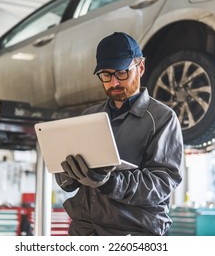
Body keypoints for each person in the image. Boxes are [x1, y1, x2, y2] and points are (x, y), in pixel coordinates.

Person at [55, 32, 184, 236]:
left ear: (140, 67)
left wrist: (109, 182)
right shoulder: (90, 116)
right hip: (84, 231)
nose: (113, 82)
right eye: (106, 75)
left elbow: (162, 183)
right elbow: (68, 183)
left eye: (121, 73)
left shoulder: (162, 118)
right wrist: (69, 174)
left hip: (133, 233)